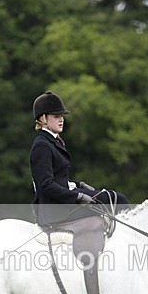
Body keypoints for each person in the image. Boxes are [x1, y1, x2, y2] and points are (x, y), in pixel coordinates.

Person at [29, 91, 129, 227]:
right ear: (43, 119)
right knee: (116, 200)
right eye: (56, 116)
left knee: (117, 199)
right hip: (54, 209)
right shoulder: (42, 145)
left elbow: (59, 177)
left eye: (62, 116)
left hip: (65, 198)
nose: (61, 119)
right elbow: (45, 185)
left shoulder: (54, 141)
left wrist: (78, 185)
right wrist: (76, 197)